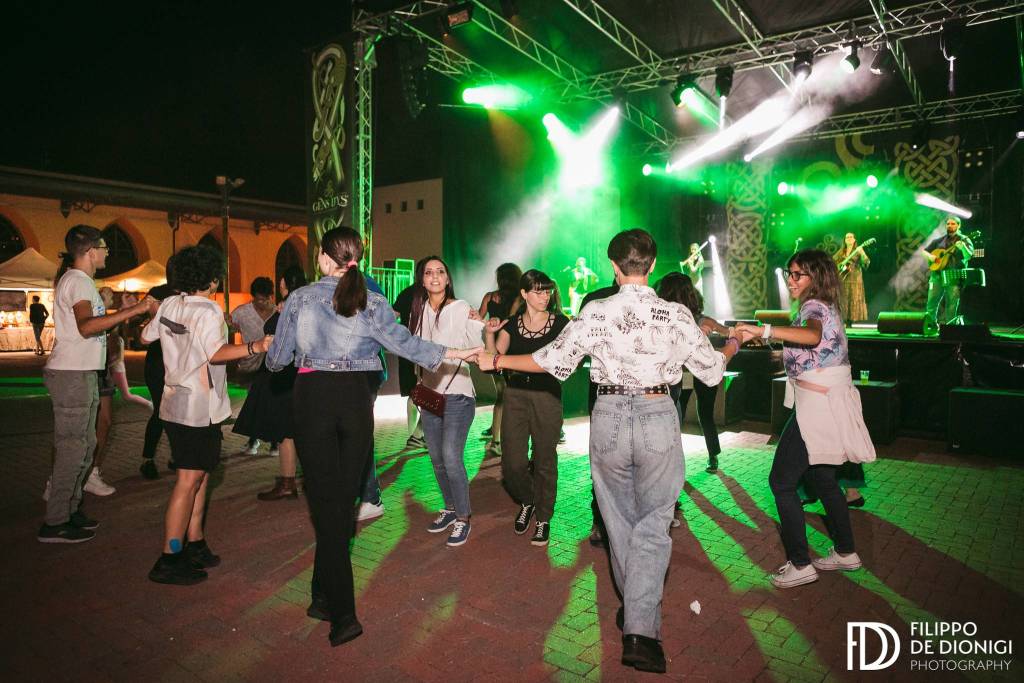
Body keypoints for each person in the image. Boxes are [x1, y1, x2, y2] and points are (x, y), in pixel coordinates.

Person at [477, 229, 745, 674]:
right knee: (654, 522)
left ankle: (635, 613)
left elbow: (550, 361)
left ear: (614, 266)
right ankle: (642, 630)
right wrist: (735, 343)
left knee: (618, 522)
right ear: (652, 265)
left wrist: (497, 360)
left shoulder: (595, 311)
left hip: (609, 416)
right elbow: (713, 372)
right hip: (658, 413)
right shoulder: (675, 313)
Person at [265, 227, 479, 647]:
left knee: (326, 506)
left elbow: (276, 362)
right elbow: (407, 345)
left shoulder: (301, 298)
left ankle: (343, 615)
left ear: (324, 258)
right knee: (340, 505)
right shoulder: (372, 300)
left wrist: (267, 346)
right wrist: (455, 353)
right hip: (355, 401)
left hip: (313, 399)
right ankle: (321, 596)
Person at [735, 249, 875, 590]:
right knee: (823, 479)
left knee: (781, 483)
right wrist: (763, 336)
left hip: (817, 407)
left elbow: (812, 336)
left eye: (798, 274)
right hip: (827, 402)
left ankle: (800, 564)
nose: (791, 280)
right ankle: (846, 552)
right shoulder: (825, 305)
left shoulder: (813, 306)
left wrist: (765, 329)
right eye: (789, 273)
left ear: (817, 277)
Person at [142, 245, 272, 586]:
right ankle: (170, 556)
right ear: (213, 279)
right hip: (197, 407)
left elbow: (145, 335)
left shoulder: (171, 304)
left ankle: (195, 542)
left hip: (175, 404)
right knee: (188, 481)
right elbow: (216, 353)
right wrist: (256, 346)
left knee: (199, 477)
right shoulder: (209, 310)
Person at [38, 225, 155, 544]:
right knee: (73, 446)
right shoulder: (77, 281)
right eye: (104, 247)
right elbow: (87, 326)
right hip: (71, 374)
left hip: (81, 371)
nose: (108, 252)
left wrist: (124, 313)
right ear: (90, 251)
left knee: (86, 444)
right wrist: (136, 309)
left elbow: (92, 326)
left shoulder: (80, 281)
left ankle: (70, 509)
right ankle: (56, 521)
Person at [484, 269, 568, 547]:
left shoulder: (560, 324)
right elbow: (493, 360)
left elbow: (560, 361)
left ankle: (543, 517)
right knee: (512, 464)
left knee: (544, 460)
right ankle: (528, 500)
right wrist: (489, 333)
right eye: (538, 291)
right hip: (516, 395)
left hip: (547, 396)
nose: (545, 296)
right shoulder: (511, 324)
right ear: (524, 293)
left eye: (547, 291)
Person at [409, 256, 486, 548]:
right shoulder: (419, 311)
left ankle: (463, 517)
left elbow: (478, 346)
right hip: (431, 394)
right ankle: (451, 507)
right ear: (422, 279)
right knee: (437, 458)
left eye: (440, 271)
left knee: (451, 457)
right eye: (428, 272)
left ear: (448, 278)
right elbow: (415, 350)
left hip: (458, 393)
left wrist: (481, 326)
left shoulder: (461, 308)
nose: (435, 276)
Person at [238, 266, 307, 501]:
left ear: (284, 284)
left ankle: (289, 482)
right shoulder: (305, 303)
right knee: (296, 430)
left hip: (284, 375)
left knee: (287, 431)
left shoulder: (289, 306)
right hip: (301, 373)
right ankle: (299, 480)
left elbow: (275, 335)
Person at [655, 273, 725, 474]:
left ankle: (711, 455)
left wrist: (718, 330)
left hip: (700, 373)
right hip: (684, 374)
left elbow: (725, 330)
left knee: (698, 414)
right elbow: (727, 332)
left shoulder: (697, 318)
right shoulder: (670, 318)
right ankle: (689, 458)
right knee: (686, 415)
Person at [477, 262, 522, 456]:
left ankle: (496, 435)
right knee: (507, 394)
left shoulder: (489, 297)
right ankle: (498, 438)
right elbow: (510, 323)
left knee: (502, 392)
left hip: (491, 348)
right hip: (509, 349)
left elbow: (478, 319)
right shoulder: (519, 298)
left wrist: (487, 326)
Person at [231, 276, 277, 455]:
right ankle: (254, 439)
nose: (263, 303)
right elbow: (229, 326)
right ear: (253, 297)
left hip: (272, 365)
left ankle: (273, 441)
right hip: (251, 365)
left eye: (266, 299)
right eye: (259, 299)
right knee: (254, 403)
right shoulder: (242, 312)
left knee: (271, 402)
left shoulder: (278, 311)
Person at [139, 282, 177, 479]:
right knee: (161, 411)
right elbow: (145, 335)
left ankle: (175, 456)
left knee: (174, 412)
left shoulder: (181, 297)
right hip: (157, 364)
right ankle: (148, 459)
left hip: (175, 365)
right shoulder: (159, 295)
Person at [98, 287, 155, 411]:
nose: (111, 296)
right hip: (104, 368)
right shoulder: (100, 317)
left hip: (111, 366)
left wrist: (124, 308)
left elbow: (113, 326)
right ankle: (151, 405)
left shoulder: (111, 329)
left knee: (125, 395)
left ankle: (151, 405)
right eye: (107, 295)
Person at [921, 215, 973, 331]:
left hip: (953, 276)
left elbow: (968, 256)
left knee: (952, 304)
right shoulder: (939, 240)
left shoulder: (964, 240)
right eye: (948, 224)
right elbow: (924, 252)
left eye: (953, 224)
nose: (950, 226)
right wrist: (931, 257)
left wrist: (963, 247)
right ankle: (931, 327)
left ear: (959, 226)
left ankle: (950, 329)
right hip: (937, 275)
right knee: (931, 303)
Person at [393, 277, 426, 450]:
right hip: (425, 349)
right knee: (430, 392)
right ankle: (418, 434)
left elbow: (392, 317)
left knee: (414, 392)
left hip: (407, 348)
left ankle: (413, 434)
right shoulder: (432, 294)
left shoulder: (406, 293)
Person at [833, 232, 870, 324]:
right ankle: (843, 320)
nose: (849, 238)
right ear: (845, 240)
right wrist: (839, 265)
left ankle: (850, 321)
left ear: (854, 239)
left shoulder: (858, 250)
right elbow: (833, 262)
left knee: (853, 297)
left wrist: (862, 253)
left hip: (855, 278)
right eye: (847, 237)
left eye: (851, 237)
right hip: (844, 278)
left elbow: (866, 262)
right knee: (843, 298)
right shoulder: (841, 251)